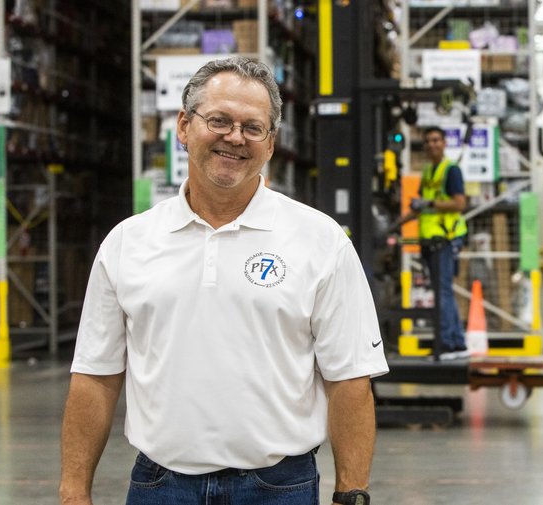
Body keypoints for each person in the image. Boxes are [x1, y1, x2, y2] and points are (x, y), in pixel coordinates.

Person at [59, 56, 388, 505]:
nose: (235, 137)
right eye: (219, 120)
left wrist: (352, 493)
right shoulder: (128, 243)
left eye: (253, 128)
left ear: (270, 145)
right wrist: (73, 491)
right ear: (183, 126)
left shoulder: (320, 240)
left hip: (280, 487)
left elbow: (349, 378)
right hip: (160, 486)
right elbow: (96, 375)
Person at [397, 126, 469, 360]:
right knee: (442, 291)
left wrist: (428, 204)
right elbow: (419, 207)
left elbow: (459, 204)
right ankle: (457, 344)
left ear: (445, 143)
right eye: (427, 141)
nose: (432, 145)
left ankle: (447, 344)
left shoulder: (451, 170)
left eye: (436, 140)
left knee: (443, 293)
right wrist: (395, 224)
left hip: (445, 239)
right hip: (430, 239)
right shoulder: (428, 172)